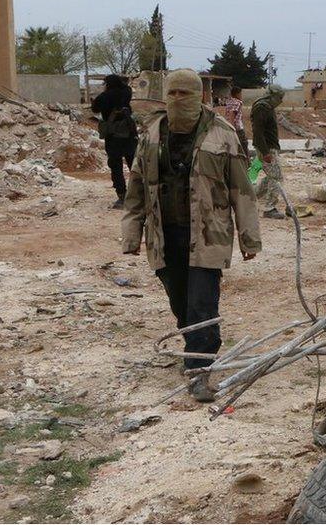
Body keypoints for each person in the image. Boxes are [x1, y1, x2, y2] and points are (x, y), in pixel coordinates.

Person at [121, 69, 261, 402]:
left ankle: (201, 367)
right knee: (179, 300)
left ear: (199, 96)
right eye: (173, 93)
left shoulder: (222, 134)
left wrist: (249, 238)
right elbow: (137, 186)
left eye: (185, 94)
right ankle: (193, 347)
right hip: (163, 234)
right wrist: (131, 234)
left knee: (202, 303)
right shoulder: (152, 135)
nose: (178, 100)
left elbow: (242, 189)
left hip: (208, 233)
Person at [91, 74, 138, 209]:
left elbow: (95, 108)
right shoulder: (127, 91)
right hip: (129, 134)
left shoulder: (105, 96)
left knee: (116, 165)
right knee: (134, 165)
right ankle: (139, 194)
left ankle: (122, 196)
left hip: (113, 137)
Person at [250, 84, 287, 220]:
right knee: (276, 177)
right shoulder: (262, 107)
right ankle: (269, 208)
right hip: (266, 148)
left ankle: (250, 197)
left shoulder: (267, 107)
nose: (281, 101)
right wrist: (265, 152)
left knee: (272, 176)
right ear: (272, 95)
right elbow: (258, 132)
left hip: (269, 147)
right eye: (279, 97)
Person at [224, 86, 251, 165]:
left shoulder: (229, 102)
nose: (241, 95)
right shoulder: (238, 103)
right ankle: (246, 163)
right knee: (243, 145)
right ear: (237, 94)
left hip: (228, 126)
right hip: (237, 128)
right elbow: (233, 114)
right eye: (240, 94)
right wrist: (233, 128)